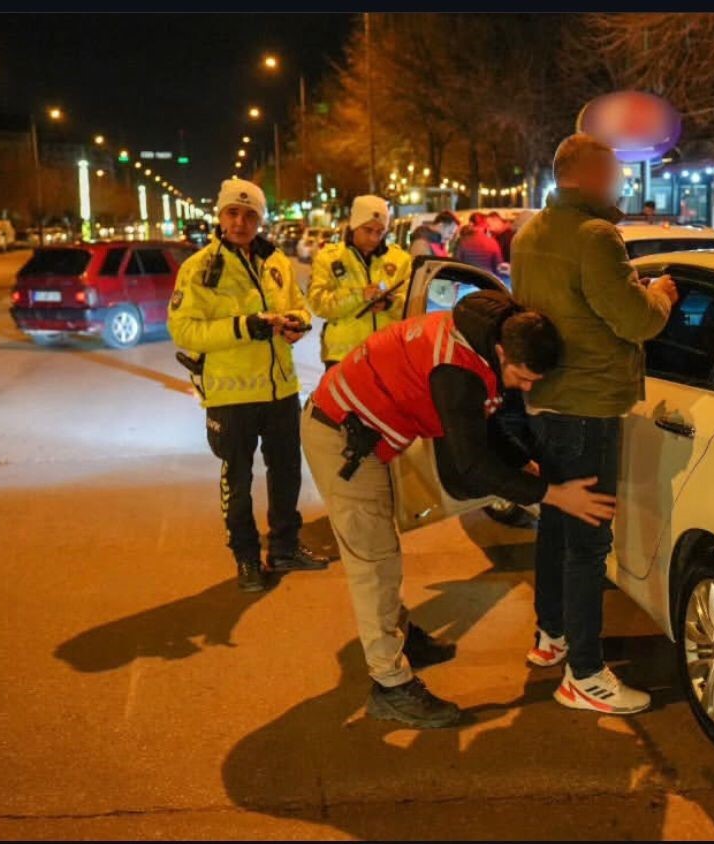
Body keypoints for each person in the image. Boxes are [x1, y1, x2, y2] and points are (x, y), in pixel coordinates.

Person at [302, 290, 616, 728]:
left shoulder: (483, 340)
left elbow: (481, 431)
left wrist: (526, 467)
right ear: (503, 351)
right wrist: (553, 493)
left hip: (369, 433)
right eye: (523, 377)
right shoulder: (458, 369)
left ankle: (400, 637)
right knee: (374, 560)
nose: (527, 388)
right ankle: (390, 685)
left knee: (384, 550)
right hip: (343, 439)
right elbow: (471, 461)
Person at [511, 133, 679, 715]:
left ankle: (550, 636)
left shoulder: (530, 232)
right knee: (588, 542)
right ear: (587, 174)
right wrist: (658, 294)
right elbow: (635, 320)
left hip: (546, 401)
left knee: (556, 528)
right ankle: (585, 673)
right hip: (589, 406)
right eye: (614, 173)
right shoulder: (596, 237)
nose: (621, 184)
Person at [169, 178, 332, 592]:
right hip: (231, 394)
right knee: (238, 481)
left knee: (287, 474)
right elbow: (185, 330)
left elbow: (298, 304)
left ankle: (284, 547)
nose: (241, 222)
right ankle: (245, 558)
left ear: (260, 219)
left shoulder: (275, 262)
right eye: (233, 213)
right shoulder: (200, 268)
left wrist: (300, 323)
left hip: (280, 391)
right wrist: (247, 327)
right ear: (220, 215)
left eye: (250, 215)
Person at [307, 195, 411, 371]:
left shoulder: (401, 260)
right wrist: (359, 296)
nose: (373, 238)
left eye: (380, 232)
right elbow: (319, 305)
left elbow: (413, 305)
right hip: (343, 357)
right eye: (368, 230)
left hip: (387, 355)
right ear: (354, 226)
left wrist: (389, 304)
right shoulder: (329, 258)